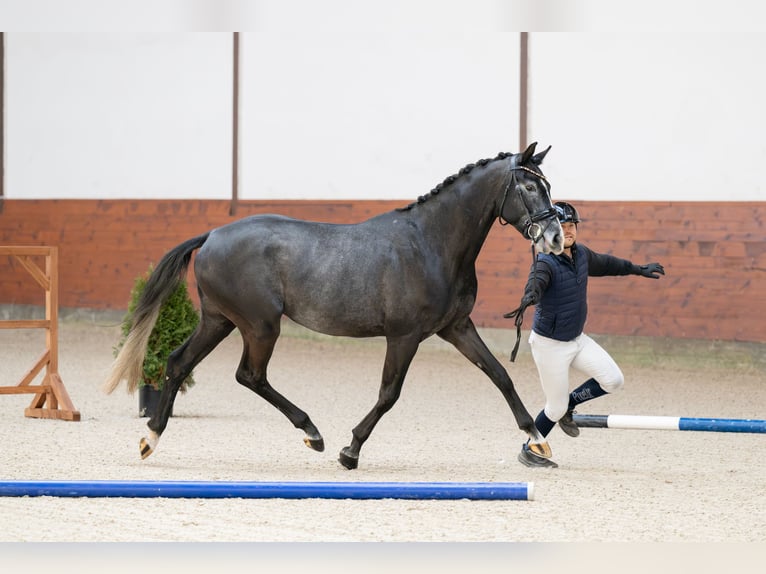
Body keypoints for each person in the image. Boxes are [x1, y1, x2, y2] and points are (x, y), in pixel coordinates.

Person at [515, 201, 665, 468]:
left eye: (571, 225)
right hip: (549, 346)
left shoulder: (581, 255)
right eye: (562, 226)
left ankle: (571, 405)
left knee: (613, 380)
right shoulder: (546, 262)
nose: (568, 230)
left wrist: (637, 269)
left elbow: (608, 263)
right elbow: (536, 281)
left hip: (576, 340)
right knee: (555, 407)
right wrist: (531, 294)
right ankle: (531, 449)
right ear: (551, 230)